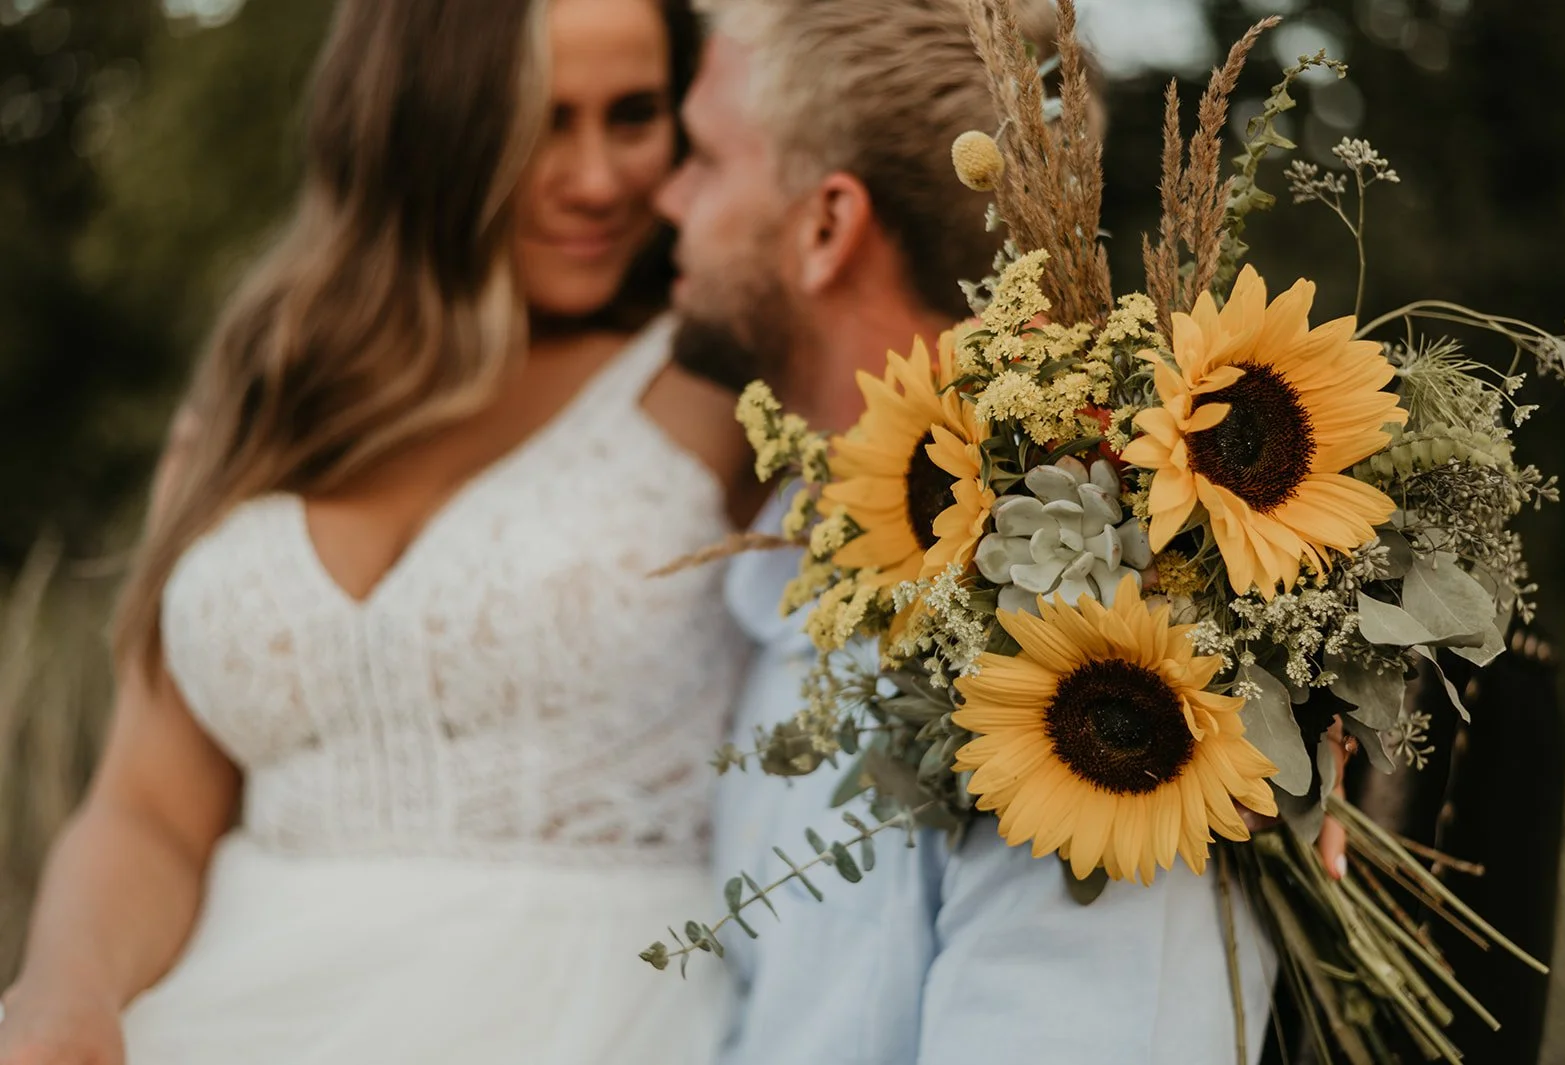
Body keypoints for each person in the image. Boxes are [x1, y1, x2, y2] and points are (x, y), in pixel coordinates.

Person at [0, 0, 751, 1062]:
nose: (595, 180)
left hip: (600, 1016)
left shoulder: (721, 384)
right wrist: (59, 999)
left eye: (632, 116)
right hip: (228, 1010)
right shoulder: (258, 403)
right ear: (421, 127)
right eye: (539, 121)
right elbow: (148, 814)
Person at [658, 0, 1284, 1061]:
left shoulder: (1096, 659)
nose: (666, 198)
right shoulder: (782, 589)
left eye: (705, 160)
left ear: (826, 227)